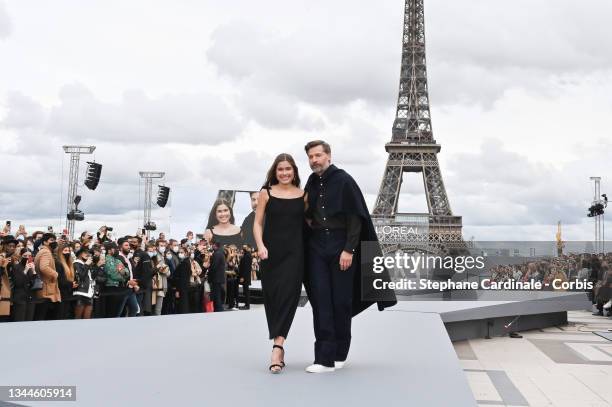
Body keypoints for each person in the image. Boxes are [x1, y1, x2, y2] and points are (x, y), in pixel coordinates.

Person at [303, 140, 396, 373]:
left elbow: (356, 218)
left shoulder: (344, 180)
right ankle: (324, 358)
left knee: (341, 301)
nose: (314, 160)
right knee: (320, 301)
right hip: (317, 246)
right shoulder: (311, 182)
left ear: (328, 156)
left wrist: (349, 249)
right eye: (310, 157)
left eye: (318, 155)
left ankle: (339, 353)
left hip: (340, 245)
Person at [253, 153, 307, 373]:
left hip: (296, 254)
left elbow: (309, 223)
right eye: (280, 169)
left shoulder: (304, 195)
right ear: (275, 172)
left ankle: (278, 346)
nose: (284, 173)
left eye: (288, 169)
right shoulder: (265, 193)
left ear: (294, 171)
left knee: (288, 298)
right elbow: (257, 224)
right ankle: (278, 343)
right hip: (271, 254)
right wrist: (260, 246)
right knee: (273, 298)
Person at [33, 233, 62, 320]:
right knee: (43, 317)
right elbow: (44, 267)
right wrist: (55, 274)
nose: (54, 242)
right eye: (51, 240)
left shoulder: (44, 251)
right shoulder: (46, 252)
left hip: (46, 289)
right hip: (46, 290)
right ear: (45, 242)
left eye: (54, 240)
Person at [73, 247, 95, 319]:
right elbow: (81, 276)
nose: (88, 254)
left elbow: (93, 277)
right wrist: (87, 264)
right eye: (85, 253)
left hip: (89, 292)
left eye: (89, 253)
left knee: (87, 318)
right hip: (80, 292)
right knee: (78, 317)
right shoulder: (76, 263)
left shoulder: (86, 264)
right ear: (80, 254)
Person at [238, 245, 252, 310]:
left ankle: (247, 305)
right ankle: (246, 304)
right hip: (246, 276)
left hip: (245, 277)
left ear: (248, 248)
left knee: (246, 291)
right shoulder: (247, 255)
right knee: (246, 291)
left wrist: (242, 277)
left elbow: (245, 268)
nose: (244, 248)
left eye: (245, 247)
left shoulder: (247, 256)